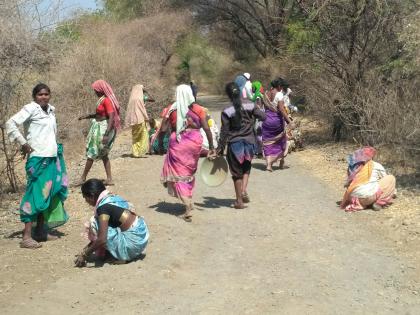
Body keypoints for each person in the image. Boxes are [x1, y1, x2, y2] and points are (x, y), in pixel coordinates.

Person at [5, 83, 69, 249]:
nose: (44, 97)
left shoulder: (51, 110)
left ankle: (40, 232)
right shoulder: (30, 108)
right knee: (34, 195)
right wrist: (23, 143)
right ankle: (26, 237)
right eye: (40, 94)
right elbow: (10, 123)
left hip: (51, 158)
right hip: (38, 159)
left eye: (46, 94)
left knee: (47, 194)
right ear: (34, 96)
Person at [159, 84, 216, 222]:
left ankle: (187, 204)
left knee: (178, 174)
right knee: (188, 173)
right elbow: (207, 128)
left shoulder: (172, 109)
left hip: (177, 145)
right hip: (194, 143)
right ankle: (188, 198)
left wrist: (160, 144)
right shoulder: (198, 109)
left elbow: (163, 129)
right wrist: (212, 146)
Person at [74, 179, 149, 267]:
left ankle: (123, 256)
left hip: (133, 244)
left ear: (92, 196)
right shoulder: (111, 197)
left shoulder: (103, 208)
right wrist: (86, 249)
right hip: (141, 236)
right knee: (104, 225)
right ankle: (117, 251)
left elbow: (102, 239)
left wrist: (85, 254)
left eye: (85, 198)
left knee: (94, 223)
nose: (86, 202)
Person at [218, 82, 266, 209]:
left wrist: (220, 147)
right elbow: (263, 116)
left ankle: (239, 201)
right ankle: (243, 190)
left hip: (235, 145)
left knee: (236, 173)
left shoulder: (227, 109)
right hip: (250, 143)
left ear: (228, 94)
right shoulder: (250, 104)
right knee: (246, 168)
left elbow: (224, 131)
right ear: (239, 92)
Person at [78, 80, 121, 185]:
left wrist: (106, 134)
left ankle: (83, 178)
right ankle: (109, 179)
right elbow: (100, 114)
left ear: (100, 90)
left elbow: (110, 116)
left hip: (103, 129)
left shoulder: (106, 100)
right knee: (103, 154)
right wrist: (87, 116)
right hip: (99, 127)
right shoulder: (101, 100)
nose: (95, 92)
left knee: (92, 153)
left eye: (96, 90)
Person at [340, 147, 397, 212]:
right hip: (366, 198)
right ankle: (379, 203)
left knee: (369, 185)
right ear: (372, 156)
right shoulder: (376, 165)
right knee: (391, 178)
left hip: (352, 198)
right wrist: (393, 192)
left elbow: (348, 183)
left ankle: (367, 201)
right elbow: (385, 180)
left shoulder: (354, 166)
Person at [262, 78, 295, 171]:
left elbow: (265, 107)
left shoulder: (266, 93)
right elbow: (281, 109)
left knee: (268, 142)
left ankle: (268, 165)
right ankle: (281, 163)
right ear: (279, 86)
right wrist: (289, 121)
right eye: (282, 87)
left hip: (266, 120)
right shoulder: (279, 94)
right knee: (282, 140)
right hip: (276, 121)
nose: (282, 89)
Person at [124, 84, 155, 157]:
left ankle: (135, 153)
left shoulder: (132, 99)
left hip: (133, 120)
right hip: (140, 119)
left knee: (135, 136)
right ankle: (140, 152)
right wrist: (146, 92)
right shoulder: (142, 97)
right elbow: (153, 99)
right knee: (143, 135)